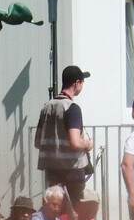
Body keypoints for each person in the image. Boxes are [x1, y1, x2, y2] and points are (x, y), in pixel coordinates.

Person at [35, 65, 93, 203]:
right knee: (73, 211)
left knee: (56, 209)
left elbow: (37, 142)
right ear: (77, 83)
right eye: (82, 82)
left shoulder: (46, 107)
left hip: (52, 172)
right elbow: (75, 142)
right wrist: (87, 144)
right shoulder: (72, 109)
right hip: (72, 172)